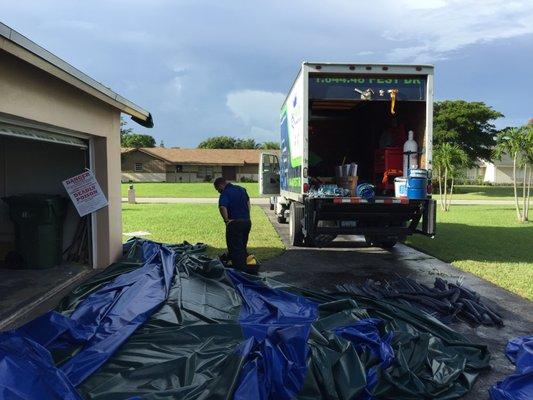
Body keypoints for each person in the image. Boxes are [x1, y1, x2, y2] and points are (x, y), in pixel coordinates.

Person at [213, 177, 251, 270]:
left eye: (218, 189)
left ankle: (239, 273)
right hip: (246, 222)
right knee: (242, 247)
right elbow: (248, 203)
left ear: (221, 185)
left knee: (235, 250)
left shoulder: (225, 193)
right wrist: (246, 215)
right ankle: (245, 268)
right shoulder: (241, 189)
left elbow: (222, 207)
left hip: (234, 223)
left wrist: (226, 221)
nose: (219, 192)